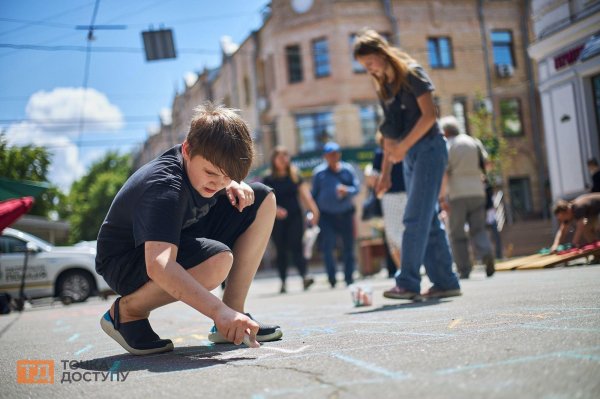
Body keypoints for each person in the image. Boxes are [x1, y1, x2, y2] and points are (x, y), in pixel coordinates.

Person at [95, 102, 281, 355]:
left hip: (178, 237)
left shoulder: (206, 169)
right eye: (211, 173)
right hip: (127, 261)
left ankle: (231, 320)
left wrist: (231, 183)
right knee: (218, 260)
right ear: (187, 149)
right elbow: (159, 264)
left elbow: (217, 172)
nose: (216, 182)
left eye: (226, 176)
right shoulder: (165, 187)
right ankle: (127, 313)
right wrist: (217, 309)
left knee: (260, 197)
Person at [354, 29, 460, 299]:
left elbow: (429, 116)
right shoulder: (384, 86)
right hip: (412, 154)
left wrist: (403, 146)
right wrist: (387, 173)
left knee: (414, 216)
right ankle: (446, 282)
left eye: (370, 64)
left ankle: (408, 282)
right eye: (364, 67)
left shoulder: (411, 73)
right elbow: (390, 133)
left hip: (430, 148)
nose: (369, 71)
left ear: (381, 53)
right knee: (429, 218)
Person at [439, 116, 495, 279]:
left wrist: (442, 198)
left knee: (457, 234)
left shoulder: (448, 145)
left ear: (445, 131)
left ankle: (464, 269)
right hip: (477, 192)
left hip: (457, 194)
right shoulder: (473, 142)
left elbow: (445, 173)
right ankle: (486, 253)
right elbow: (488, 165)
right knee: (478, 229)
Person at [262, 146, 319, 294]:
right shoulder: (268, 179)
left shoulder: (295, 176)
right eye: (280, 157)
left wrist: (314, 211)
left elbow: (305, 195)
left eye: (285, 156)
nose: (283, 160)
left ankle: (304, 276)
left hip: (295, 217)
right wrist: (275, 210)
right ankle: (283, 281)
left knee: (297, 246)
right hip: (276, 219)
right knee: (281, 250)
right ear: (274, 160)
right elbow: (264, 200)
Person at [311, 141, 360, 288]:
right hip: (326, 216)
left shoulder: (347, 170)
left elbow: (356, 188)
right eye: (330, 154)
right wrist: (311, 213)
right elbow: (313, 195)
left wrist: (348, 191)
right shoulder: (319, 173)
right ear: (325, 156)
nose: (333, 157)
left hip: (345, 214)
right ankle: (332, 278)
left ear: (339, 154)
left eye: (335, 153)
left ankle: (349, 278)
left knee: (348, 247)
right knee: (328, 248)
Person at [371, 132, 407, 270]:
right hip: (407, 193)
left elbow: (374, 178)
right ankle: (405, 269)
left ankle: (405, 268)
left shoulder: (380, 154)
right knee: (404, 229)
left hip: (390, 196)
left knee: (393, 234)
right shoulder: (404, 151)